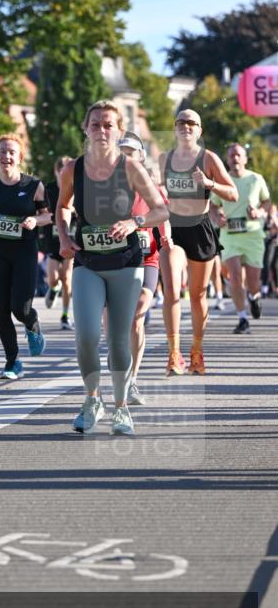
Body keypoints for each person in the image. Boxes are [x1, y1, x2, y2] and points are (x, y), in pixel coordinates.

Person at [56, 101, 168, 436]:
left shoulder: (131, 166)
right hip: (88, 261)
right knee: (87, 336)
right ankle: (92, 400)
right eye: (95, 125)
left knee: (119, 339)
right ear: (85, 128)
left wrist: (135, 222)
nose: (102, 131)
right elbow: (62, 206)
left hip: (126, 263)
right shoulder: (72, 169)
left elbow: (160, 211)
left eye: (108, 125)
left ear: (118, 130)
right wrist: (63, 236)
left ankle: (120, 408)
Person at [158, 110, 237, 376]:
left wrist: (209, 183)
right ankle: (173, 354)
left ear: (199, 130)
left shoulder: (208, 158)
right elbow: (156, 194)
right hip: (174, 229)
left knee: (198, 294)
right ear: (175, 128)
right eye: (181, 122)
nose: (186, 127)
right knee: (171, 287)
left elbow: (233, 193)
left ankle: (197, 351)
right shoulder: (164, 159)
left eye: (192, 123)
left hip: (200, 229)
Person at [0, 134, 51, 379]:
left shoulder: (33, 186)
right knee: (1, 309)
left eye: (11, 152)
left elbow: (49, 216)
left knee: (20, 307)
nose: (6, 156)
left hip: (25, 251)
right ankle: (12, 361)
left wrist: (34, 219)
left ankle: (32, 322)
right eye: (2, 152)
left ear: (19, 157)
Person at [118, 131, 170, 406]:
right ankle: (121, 373)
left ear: (140, 156)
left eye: (131, 152)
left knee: (138, 312)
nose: (126, 157)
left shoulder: (149, 185)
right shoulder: (106, 186)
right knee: (118, 322)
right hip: (115, 258)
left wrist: (168, 237)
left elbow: (163, 212)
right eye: (121, 152)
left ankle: (132, 379)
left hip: (146, 256)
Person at [210, 142, 271, 334]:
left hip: (253, 234)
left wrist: (260, 212)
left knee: (253, 283)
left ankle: (254, 298)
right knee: (235, 277)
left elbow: (267, 202)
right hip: (230, 235)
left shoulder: (256, 179)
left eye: (238, 155)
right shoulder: (222, 181)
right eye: (231, 156)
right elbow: (213, 205)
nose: (235, 159)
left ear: (245, 159)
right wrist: (217, 216)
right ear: (227, 160)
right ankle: (243, 318)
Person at [43, 156, 75, 330]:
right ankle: (54, 290)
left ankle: (64, 315)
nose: (64, 172)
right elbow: (41, 210)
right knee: (54, 279)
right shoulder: (48, 189)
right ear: (56, 172)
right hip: (52, 240)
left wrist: (74, 210)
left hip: (71, 238)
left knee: (67, 278)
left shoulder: (77, 188)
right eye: (60, 169)